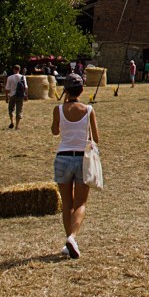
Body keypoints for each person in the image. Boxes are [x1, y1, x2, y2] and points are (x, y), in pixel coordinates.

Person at [50, 73, 99, 259]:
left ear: (66, 91)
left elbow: (55, 131)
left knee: (67, 204)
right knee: (81, 203)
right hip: (81, 159)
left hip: (63, 157)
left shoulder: (58, 109)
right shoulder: (88, 109)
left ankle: (68, 241)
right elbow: (95, 137)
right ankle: (72, 237)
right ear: (82, 90)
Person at [5, 65, 27, 129]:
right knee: (19, 110)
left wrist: (6, 97)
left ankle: (12, 121)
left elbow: (7, 88)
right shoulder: (23, 77)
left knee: (11, 109)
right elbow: (26, 87)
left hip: (12, 95)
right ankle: (17, 126)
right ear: (19, 69)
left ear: (13, 69)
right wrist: (26, 95)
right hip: (20, 95)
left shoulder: (10, 77)